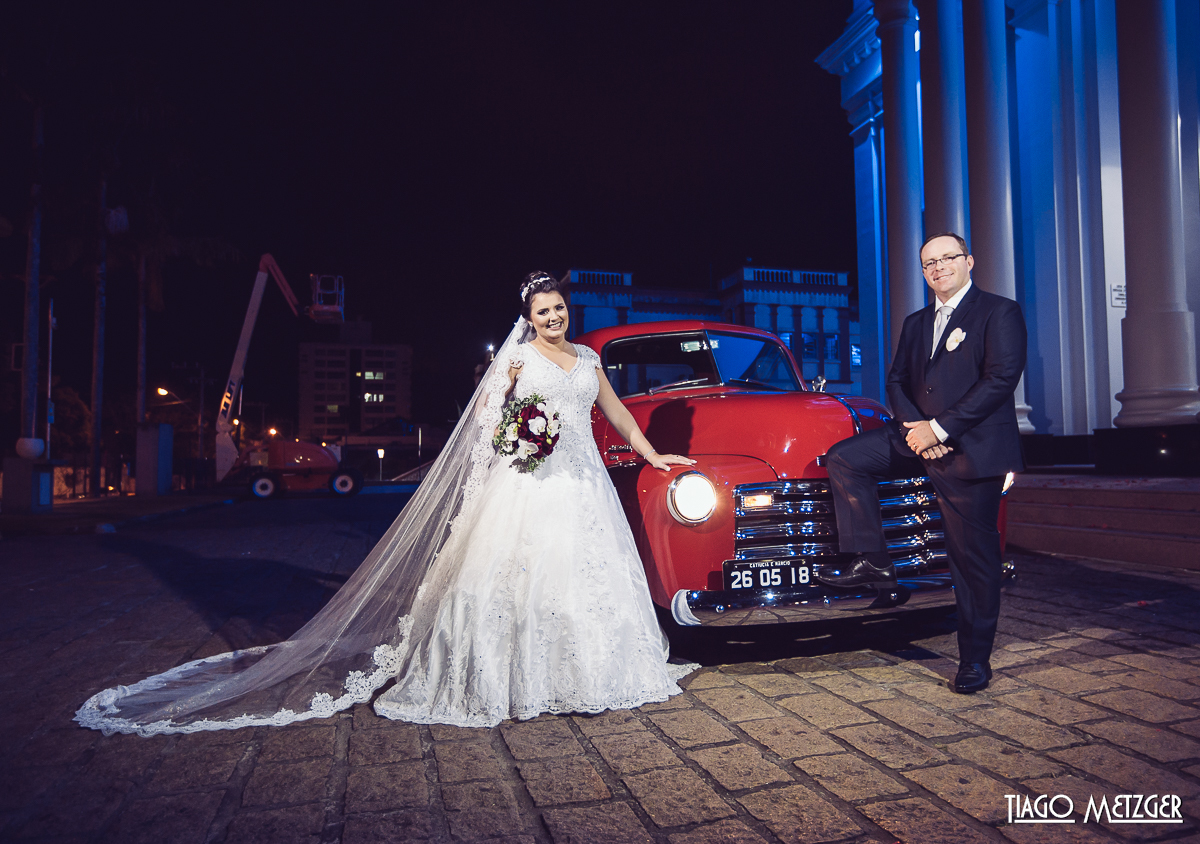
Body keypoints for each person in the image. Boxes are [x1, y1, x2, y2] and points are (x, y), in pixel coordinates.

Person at [76, 272, 696, 734]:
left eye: (560, 308)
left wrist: (651, 452)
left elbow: (610, 409)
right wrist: (518, 437)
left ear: (568, 310)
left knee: (584, 573)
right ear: (528, 318)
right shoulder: (516, 358)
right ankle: (511, 677)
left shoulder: (588, 358)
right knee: (517, 575)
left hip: (581, 480)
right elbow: (483, 422)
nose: (554, 317)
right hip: (529, 477)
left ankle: (591, 671)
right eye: (543, 311)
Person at [817, 233, 1026, 694]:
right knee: (846, 459)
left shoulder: (999, 311)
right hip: (918, 437)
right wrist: (917, 430)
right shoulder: (915, 322)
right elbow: (896, 382)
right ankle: (874, 561)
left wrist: (940, 429)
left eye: (948, 258)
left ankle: (974, 660)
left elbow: (1000, 380)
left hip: (973, 449)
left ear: (969, 261)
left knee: (972, 562)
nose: (938, 267)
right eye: (929, 262)